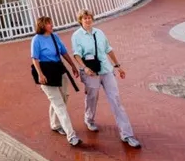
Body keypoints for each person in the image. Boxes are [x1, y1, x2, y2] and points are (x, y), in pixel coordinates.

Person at [71, 9, 141, 149]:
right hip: (91, 72)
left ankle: (127, 134)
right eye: (85, 18)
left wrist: (118, 66)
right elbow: (77, 55)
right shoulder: (77, 36)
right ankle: (89, 119)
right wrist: (84, 68)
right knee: (92, 98)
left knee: (116, 100)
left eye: (90, 17)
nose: (88, 20)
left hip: (106, 70)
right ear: (80, 20)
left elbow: (108, 49)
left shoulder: (100, 33)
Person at [31, 16, 82, 147]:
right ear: (42, 25)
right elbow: (35, 59)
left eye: (51, 22)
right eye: (48, 23)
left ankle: (55, 124)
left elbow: (64, 52)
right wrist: (40, 75)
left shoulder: (55, 37)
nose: (51, 25)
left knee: (64, 97)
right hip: (46, 74)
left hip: (59, 70)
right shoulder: (36, 40)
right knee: (59, 105)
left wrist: (72, 66)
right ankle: (71, 135)